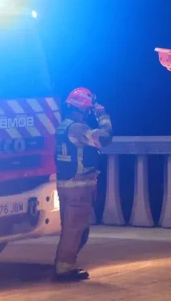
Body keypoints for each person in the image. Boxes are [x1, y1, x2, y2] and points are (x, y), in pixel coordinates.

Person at [53, 87, 113, 281]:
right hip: (77, 188)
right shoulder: (77, 128)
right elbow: (104, 138)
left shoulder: (63, 125)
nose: (89, 113)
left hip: (69, 185)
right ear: (83, 109)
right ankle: (64, 268)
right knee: (75, 230)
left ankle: (65, 265)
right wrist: (103, 116)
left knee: (76, 229)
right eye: (88, 110)